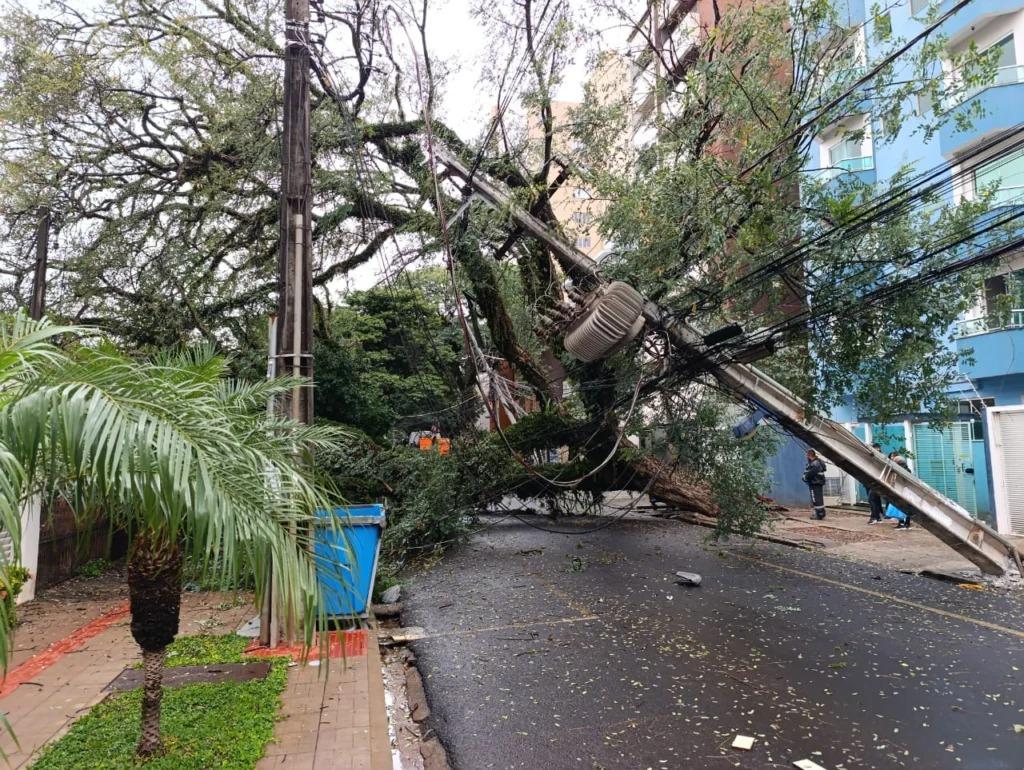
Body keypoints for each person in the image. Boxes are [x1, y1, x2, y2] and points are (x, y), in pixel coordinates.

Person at [888, 451, 913, 530]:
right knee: (900, 508)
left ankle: (905, 523)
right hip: (901, 491)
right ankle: (901, 522)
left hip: (904, 491)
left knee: (904, 508)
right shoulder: (903, 469)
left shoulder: (904, 470)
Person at [802, 449, 828, 520]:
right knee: (819, 499)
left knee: (815, 499)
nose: (806, 457)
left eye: (807, 455)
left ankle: (818, 514)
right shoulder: (819, 461)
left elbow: (811, 473)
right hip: (818, 483)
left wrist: (805, 477)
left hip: (815, 483)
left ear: (809, 455)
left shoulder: (815, 463)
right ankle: (821, 513)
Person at [867, 443, 885, 524]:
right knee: (876, 500)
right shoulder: (879, 456)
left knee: (872, 499)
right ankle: (877, 517)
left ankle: (874, 517)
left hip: (876, 481)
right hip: (873, 481)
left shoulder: (878, 457)